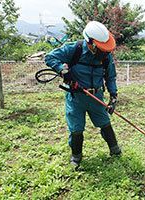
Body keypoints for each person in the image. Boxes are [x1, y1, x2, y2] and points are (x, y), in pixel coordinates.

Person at [45, 21, 121, 167]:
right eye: (101, 48)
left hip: (96, 97)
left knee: (105, 123)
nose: (105, 52)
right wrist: (62, 69)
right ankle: (76, 157)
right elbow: (49, 58)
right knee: (76, 129)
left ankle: (115, 150)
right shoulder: (74, 49)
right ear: (90, 42)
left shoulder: (106, 56)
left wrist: (113, 96)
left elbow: (110, 77)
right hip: (76, 98)